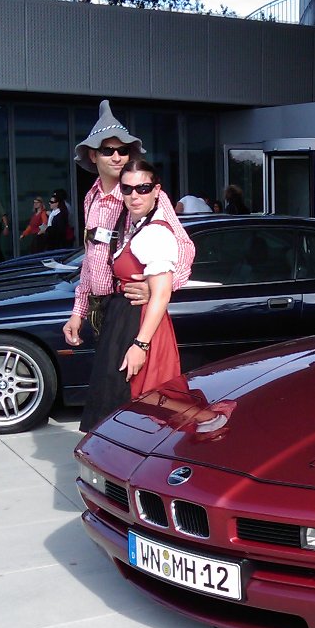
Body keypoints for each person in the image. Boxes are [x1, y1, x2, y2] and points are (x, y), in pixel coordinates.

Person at [62, 100, 194, 431]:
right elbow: (91, 259)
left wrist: (158, 287)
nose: (117, 157)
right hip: (103, 312)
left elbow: (183, 247)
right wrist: (79, 311)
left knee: (135, 398)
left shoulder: (143, 197)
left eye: (123, 150)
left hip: (130, 310)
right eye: (108, 150)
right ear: (93, 156)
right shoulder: (92, 197)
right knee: (109, 395)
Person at [79, 159, 182, 430]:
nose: (135, 195)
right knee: (119, 405)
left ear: (156, 190)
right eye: (127, 189)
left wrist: (140, 345)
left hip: (141, 325)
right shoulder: (133, 226)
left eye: (143, 188)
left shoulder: (156, 232)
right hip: (123, 319)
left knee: (143, 406)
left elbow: (161, 295)